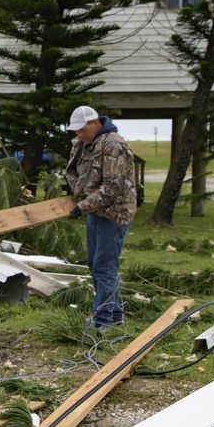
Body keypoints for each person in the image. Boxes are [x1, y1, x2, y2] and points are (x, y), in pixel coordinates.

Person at [64, 105, 138, 330]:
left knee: (104, 266)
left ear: (95, 123)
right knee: (96, 265)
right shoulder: (82, 144)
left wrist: (82, 207)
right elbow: (75, 172)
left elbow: (113, 187)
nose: (78, 134)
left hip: (114, 213)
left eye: (82, 130)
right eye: (75, 130)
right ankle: (115, 315)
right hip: (95, 211)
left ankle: (101, 321)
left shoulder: (113, 145)